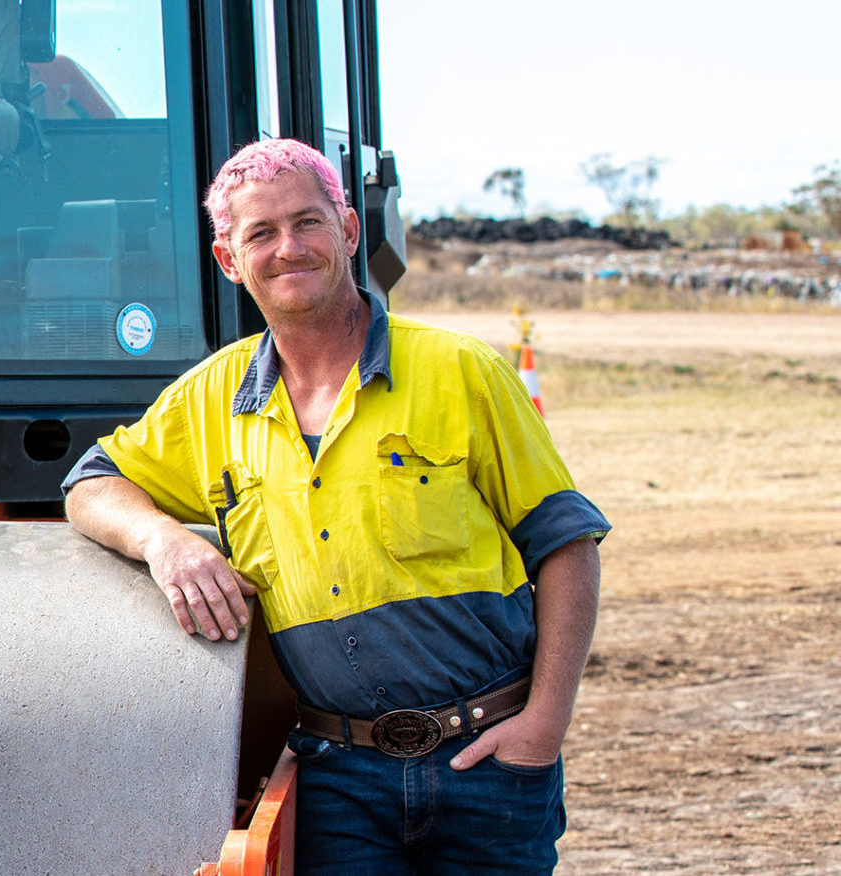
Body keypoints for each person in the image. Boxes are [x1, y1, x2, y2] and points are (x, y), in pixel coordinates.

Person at [63, 139, 608, 874]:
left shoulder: (462, 370)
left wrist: (543, 724)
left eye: (308, 222)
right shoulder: (210, 400)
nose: (289, 248)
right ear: (229, 260)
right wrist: (166, 540)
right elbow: (90, 484)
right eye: (260, 233)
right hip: (337, 780)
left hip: (489, 763)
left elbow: (566, 545)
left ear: (349, 231)